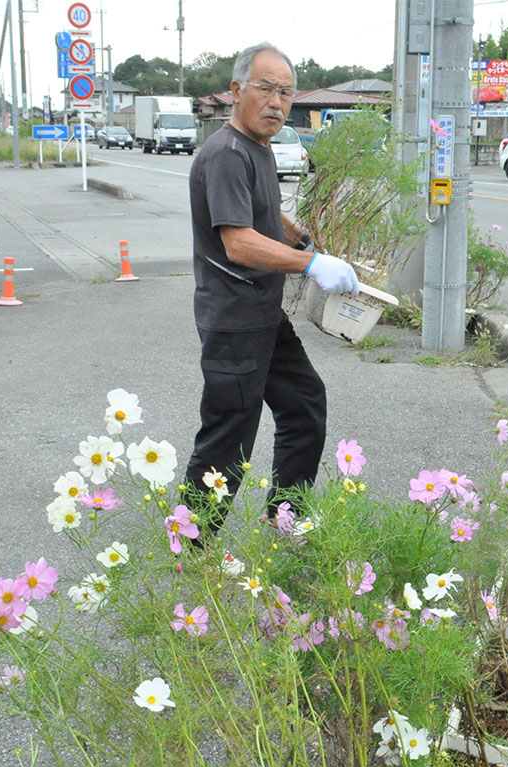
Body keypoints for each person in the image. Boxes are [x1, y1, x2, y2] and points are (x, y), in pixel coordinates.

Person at [184, 42, 358, 532]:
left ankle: (287, 518)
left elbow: (254, 213)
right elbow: (238, 242)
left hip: (263, 314)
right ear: (237, 91)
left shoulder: (257, 149)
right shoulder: (224, 153)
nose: (277, 102)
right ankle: (190, 550)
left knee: (304, 404)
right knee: (228, 440)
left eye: (286, 91)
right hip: (234, 320)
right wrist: (309, 263)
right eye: (265, 88)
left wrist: (296, 234)